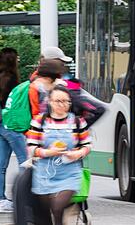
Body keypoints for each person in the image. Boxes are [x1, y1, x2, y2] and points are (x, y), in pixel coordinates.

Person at [27, 85, 91, 225]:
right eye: (58, 101)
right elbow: (31, 148)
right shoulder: (39, 121)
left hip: (70, 173)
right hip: (44, 174)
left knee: (57, 207)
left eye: (66, 101)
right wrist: (48, 152)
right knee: (44, 212)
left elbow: (87, 145)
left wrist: (78, 153)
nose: (62, 105)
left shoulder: (78, 122)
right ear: (49, 101)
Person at [0, 48, 25, 213]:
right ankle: (24, 198)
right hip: (10, 125)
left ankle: (1, 200)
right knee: (25, 161)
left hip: (0, 125)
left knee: (1, 165)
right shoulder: (13, 80)